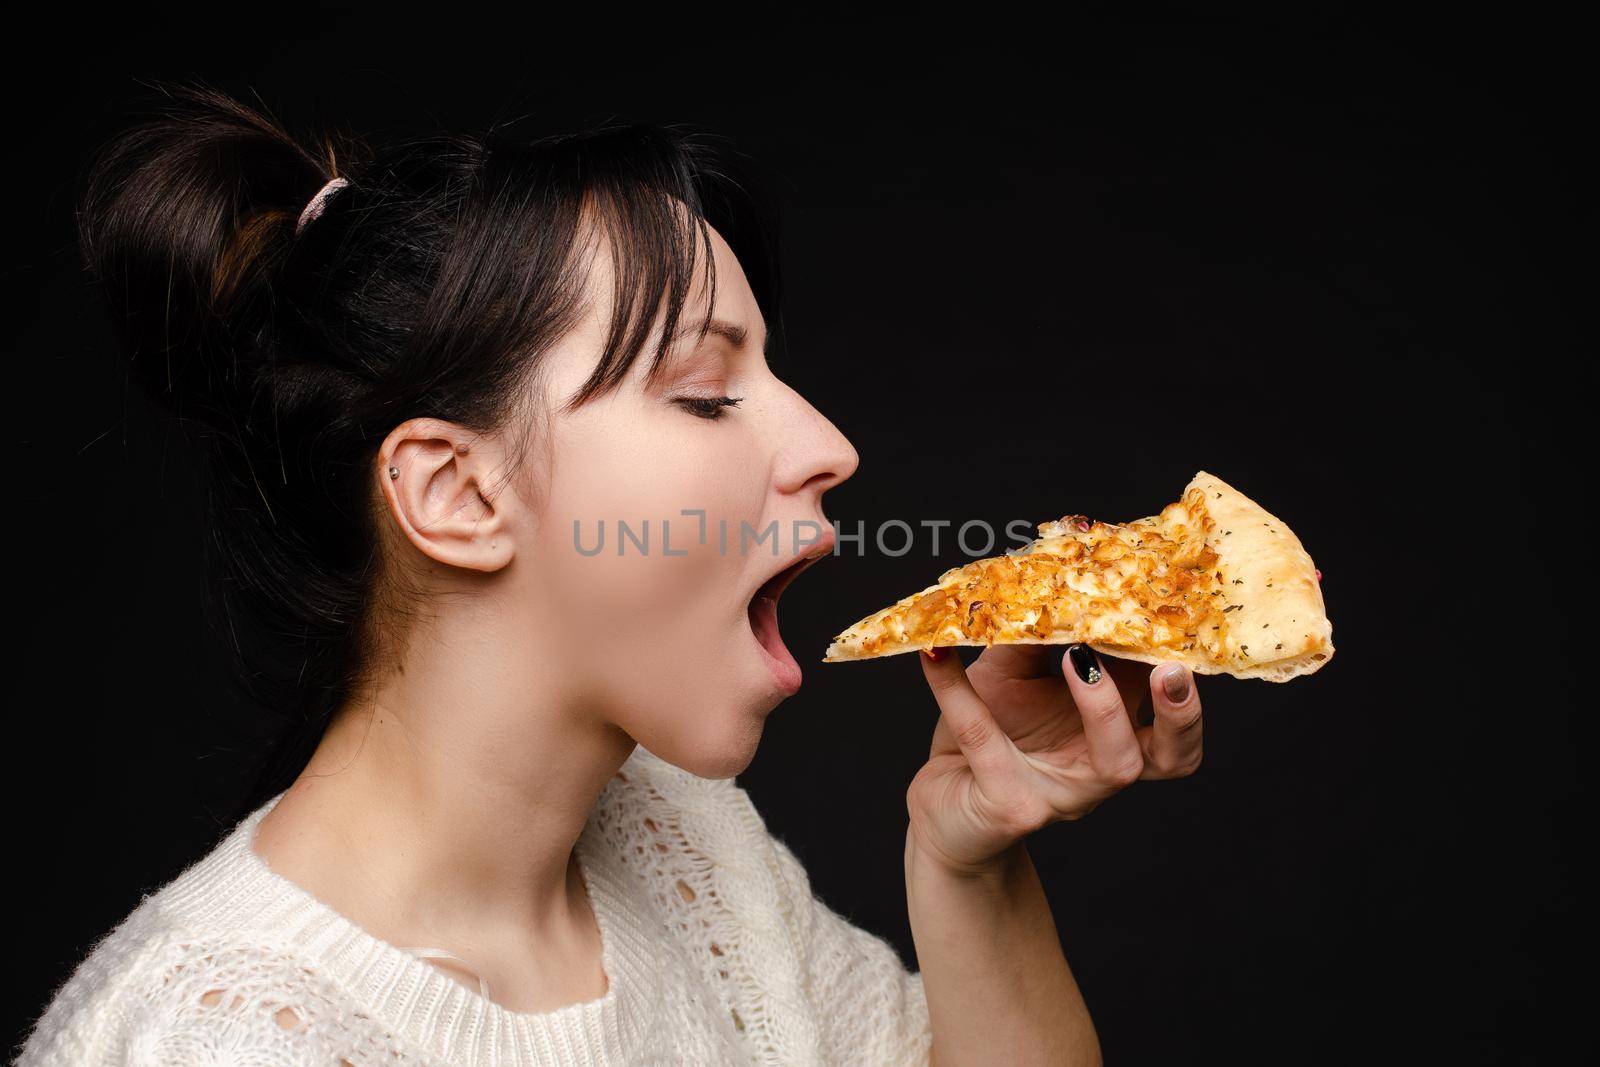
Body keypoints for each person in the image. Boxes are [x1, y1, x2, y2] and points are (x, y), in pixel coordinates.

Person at [15, 83, 1204, 1066]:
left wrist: (968, 859)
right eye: (704, 391)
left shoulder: (686, 850)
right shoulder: (222, 1039)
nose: (829, 445)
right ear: (456, 495)